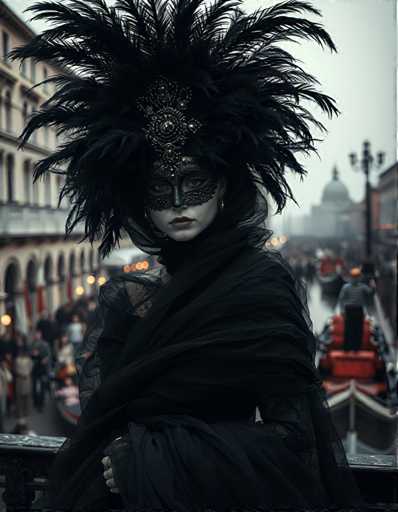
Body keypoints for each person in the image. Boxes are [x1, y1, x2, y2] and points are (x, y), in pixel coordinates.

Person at [12, 0, 363, 510]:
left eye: (194, 182)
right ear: (136, 201)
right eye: (160, 189)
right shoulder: (127, 297)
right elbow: (105, 420)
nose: (178, 204)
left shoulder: (261, 286)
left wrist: (157, 459)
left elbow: (296, 441)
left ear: (223, 185)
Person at [29, 329, 51, 412]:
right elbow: (29, 355)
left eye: (38, 334)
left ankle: (41, 404)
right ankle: (35, 402)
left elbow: (49, 355)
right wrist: (32, 355)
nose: (37, 336)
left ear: (40, 335)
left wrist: (45, 359)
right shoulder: (32, 344)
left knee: (42, 387)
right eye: (36, 334)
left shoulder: (45, 344)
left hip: (42, 368)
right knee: (34, 386)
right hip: (34, 368)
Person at [13, 344, 33, 433]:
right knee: (23, 402)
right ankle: (23, 421)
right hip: (24, 383)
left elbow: (17, 370)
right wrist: (25, 373)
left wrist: (23, 373)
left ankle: (22, 421)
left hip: (21, 383)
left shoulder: (18, 360)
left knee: (21, 402)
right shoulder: (27, 360)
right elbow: (29, 369)